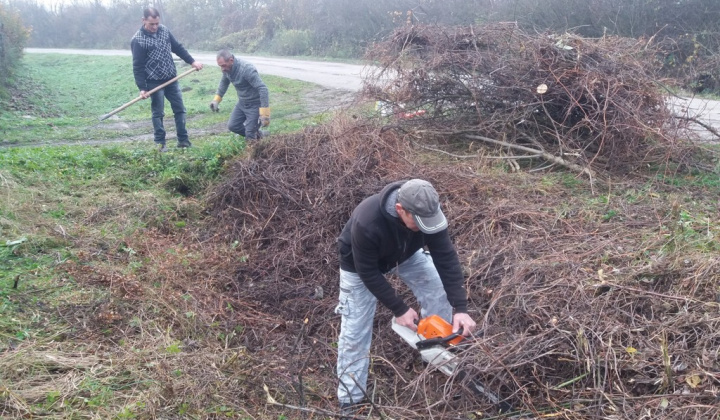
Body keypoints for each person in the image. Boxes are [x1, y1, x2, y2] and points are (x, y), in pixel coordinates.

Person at [335, 179, 477, 414]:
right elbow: (368, 272)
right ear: (401, 209)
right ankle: (351, 399)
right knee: (355, 329)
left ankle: (435, 353)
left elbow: (446, 257)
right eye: (419, 223)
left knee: (437, 287)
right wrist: (399, 308)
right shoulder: (367, 221)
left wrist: (460, 308)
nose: (425, 227)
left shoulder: (430, 212)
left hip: (406, 255)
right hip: (359, 266)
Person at [131, 7, 203, 151]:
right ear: (143, 20)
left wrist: (192, 61)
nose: (155, 27)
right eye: (152, 24)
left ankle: (183, 140)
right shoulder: (137, 40)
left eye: (157, 23)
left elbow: (177, 47)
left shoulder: (164, 30)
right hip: (153, 82)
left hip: (171, 78)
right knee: (158, 113)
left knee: (180, 109)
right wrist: (142, 88)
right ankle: (160, 143)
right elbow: (137, 67)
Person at [209, 50, 270, 141]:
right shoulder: (227, 70)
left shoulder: (246, 69)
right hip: (242, 102)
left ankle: (253, 149)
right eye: (220, 66)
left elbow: (263, 89)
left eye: (223, 65)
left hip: (255, 104)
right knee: (233, 126)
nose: (222, 69)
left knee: (250, 134)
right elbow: (224, 83)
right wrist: (216, 100)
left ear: (231, 60)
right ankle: (259, 135)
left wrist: (265, 113)